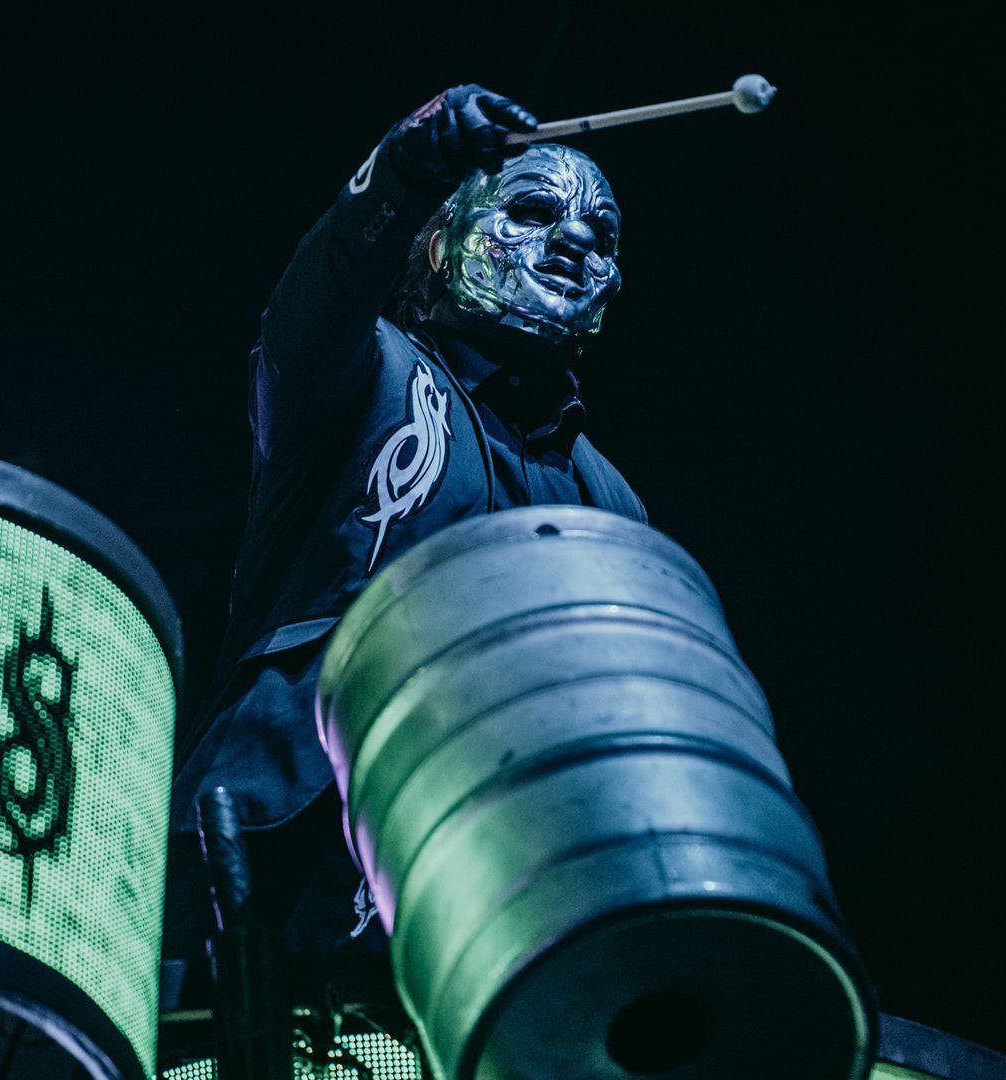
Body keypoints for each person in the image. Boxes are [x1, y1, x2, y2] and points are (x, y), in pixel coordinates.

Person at [168, 84, 648, 961]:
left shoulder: (609, 500)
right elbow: (318, 297)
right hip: (250, 869)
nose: (576, 241)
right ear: (437, 244)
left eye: (601, 236)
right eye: (534, 211)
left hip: (454, 930)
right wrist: (402, 170)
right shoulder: (363, 375)